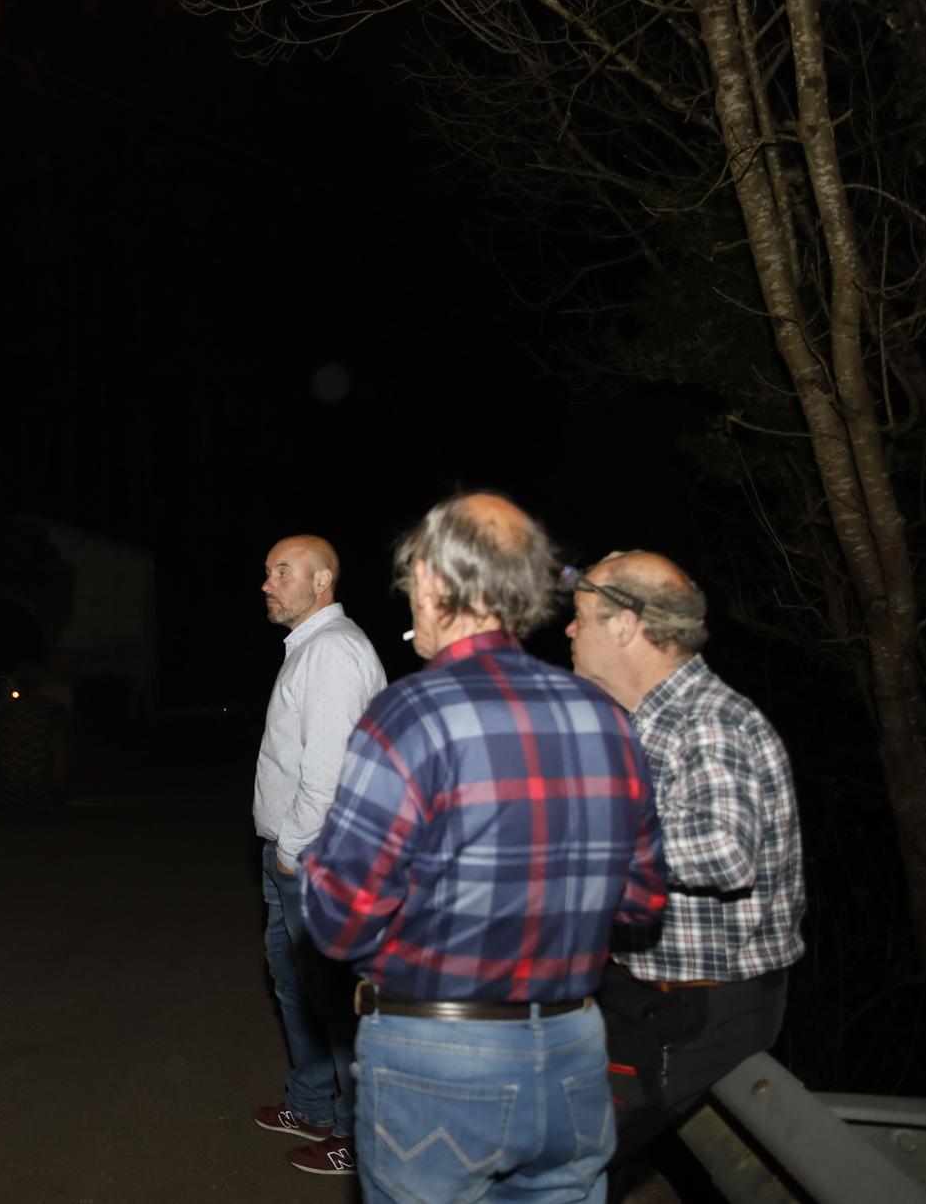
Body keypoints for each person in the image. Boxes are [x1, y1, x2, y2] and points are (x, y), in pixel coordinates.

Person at [300, 493, 666, 1204]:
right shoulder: (607, 717)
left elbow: (340, 918)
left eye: (413, 586)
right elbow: (644, 899)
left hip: (437, 1058)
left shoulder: (410, 713)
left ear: (435, 582)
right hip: (571, 1051)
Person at [564, 550, 805, 1166]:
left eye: (582, 616)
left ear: (626, 626)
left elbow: (726, 850)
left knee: (557, 1159)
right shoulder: (644, 721)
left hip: (700, 1007)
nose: (569, 630)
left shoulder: (708, 721)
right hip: (644, 993)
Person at [249, 534, 387, 1177]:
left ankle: (357, 1136)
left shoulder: (331, 652)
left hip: (314, 855)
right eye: (269, 571)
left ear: (322, 580)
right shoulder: (311, 647)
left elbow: (328, 773)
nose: (268, 584)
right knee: (298, 987)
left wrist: (294, 850)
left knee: (334, 998)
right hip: (294, 853)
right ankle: (311, 1102)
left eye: (283, 572)